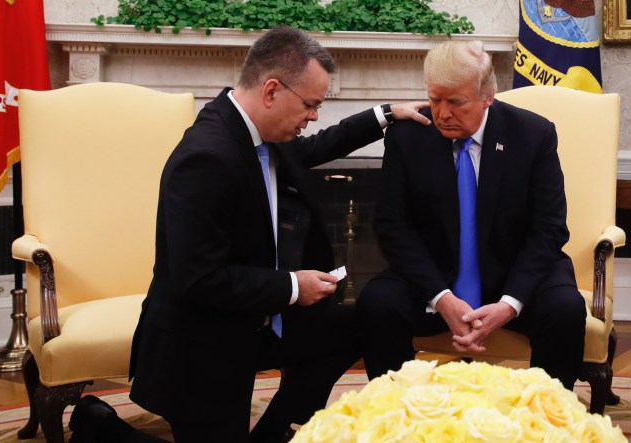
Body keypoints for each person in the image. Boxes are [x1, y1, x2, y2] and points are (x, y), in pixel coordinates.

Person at [68, 25, 429, 443]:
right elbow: (197, 279)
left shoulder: (259, 133)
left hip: (254, 322)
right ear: (272, 90)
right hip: (201, 346)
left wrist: (386, 114)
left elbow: (314, 148)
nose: (314, 116)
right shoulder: (207, 158)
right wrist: (293, 286)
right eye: (310, 105)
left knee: (354, 326)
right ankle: (100, 428)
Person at [357, 39, 586, 391]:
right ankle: (400, 410)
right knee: (378, 302)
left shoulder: (533, 134)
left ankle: (547, 413)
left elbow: (549, 229)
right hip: (434, 277)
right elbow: (393, 226)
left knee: (565, 309)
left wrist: (509, 304)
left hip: (513, 274)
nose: (442, 113)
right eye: (435, 99)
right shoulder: (407, 136)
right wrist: (442, 298)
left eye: (456, 102)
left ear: (487, 96)